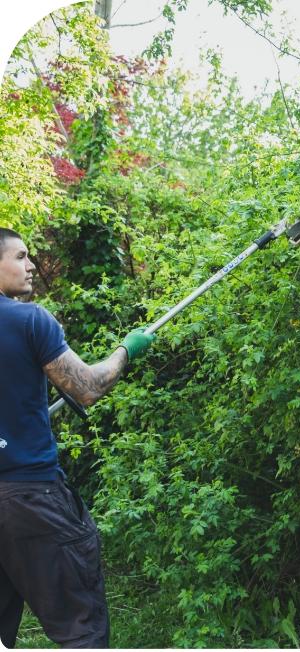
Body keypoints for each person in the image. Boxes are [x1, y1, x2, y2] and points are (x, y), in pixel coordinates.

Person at [0, 227, 155, 648]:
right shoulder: (29, 319)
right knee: (79, 629)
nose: (30, 265)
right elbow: (86, 387)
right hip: (30, 497)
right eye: (20, 256)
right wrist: (127, 350)